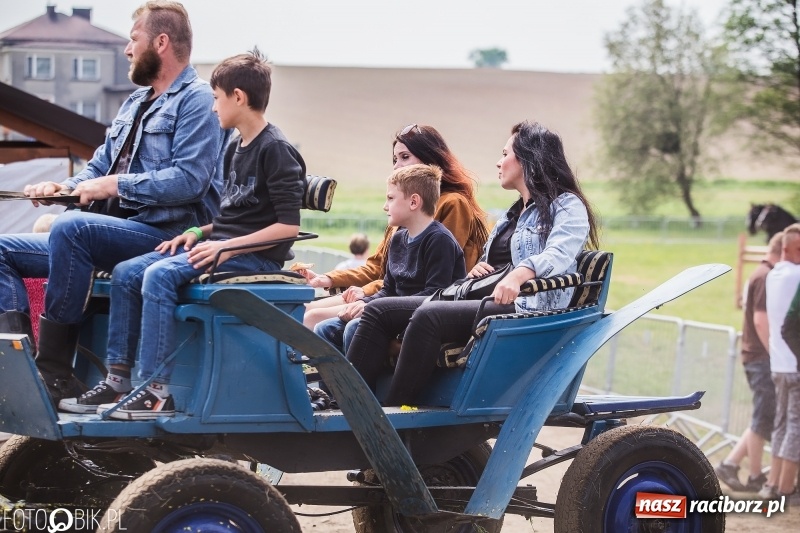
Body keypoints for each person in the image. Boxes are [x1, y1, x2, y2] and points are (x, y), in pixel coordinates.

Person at [0, 0, 229, 403]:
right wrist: (63, 188)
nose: (127, 48)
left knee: (73, 229)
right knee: (3, 248)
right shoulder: (133, 104)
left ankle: (54, 374)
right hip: (111, 233)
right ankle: (24, 363)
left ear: (160, 42)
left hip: (167, 235)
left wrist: (114, 186)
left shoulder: (197, 100)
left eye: (133, 38)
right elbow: (99, 168)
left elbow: (189, 181)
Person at [346, 121, 599, 405]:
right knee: (379, 311)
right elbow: (491, 262)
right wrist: (477, 268)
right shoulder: (511, 215)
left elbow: (559, 253)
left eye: (505, 154)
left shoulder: (567, 205)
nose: (498, 162)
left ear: (528, 157)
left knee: (429, 316)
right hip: (485, 297)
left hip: (528, 306)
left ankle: (392, 412)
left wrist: (520, 274)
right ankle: (349, 404)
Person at [299, 124, 489, 333]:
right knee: (305, 309)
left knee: (313, 316)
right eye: (395, 160)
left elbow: (428, 280)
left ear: (429, 159)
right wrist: (327, 279)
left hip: (417, 304)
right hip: (389, 295)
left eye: (405, 157)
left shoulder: (452, 204)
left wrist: (364, 294)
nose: (397, 166)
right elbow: (376, 266)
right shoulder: (402, 214)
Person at [313, 164, 466, 353]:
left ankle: (362, 383)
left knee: (355, 328)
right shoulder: (398, 239)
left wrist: (373, 308)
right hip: (390, 313)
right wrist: (363, 304)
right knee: (324, 329)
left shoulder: (439, 240)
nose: (385, 206)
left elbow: (435, 294)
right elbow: (388, 290)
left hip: (422, 319)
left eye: (391, 198)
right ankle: (334, 382)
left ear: (413, 202)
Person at [715, 231, 783, 492]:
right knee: (762, 417)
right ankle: (755, 474)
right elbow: (760, 320)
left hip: (755, 354)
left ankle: (731, 464)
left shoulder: (759, 274)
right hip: (760, 356)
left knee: (762, 415)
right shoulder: (765, 277)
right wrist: (774, 353)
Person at [759, 223, 800, 502]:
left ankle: (772, 483)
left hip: (778, 362)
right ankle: (786, 488)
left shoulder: (774, 274)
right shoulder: (796, 274)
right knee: (794, 426)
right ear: (787, 249)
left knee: (781, 424)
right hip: (794, 362)